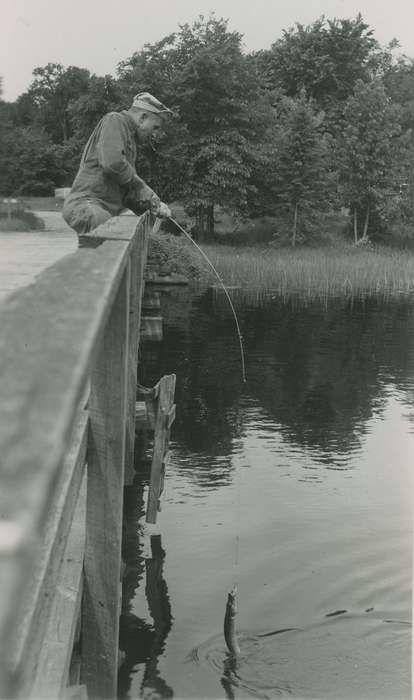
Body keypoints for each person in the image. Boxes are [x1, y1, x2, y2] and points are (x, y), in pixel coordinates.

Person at [62, 92, 172, 245]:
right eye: (155, 127)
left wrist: (153, 205)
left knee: (108, 251)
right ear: (142, 117)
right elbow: (113, 164)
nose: (154, 134)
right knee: (109, 242)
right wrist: (145, 191)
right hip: (87, 204)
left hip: (99, 210)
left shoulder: (131, 141)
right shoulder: (115, 120)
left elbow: (127, 192)